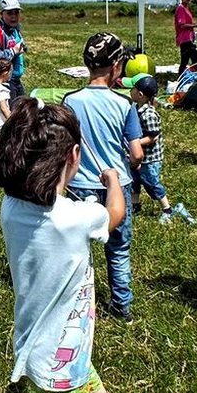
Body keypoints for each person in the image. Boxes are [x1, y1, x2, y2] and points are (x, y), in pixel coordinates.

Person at [0, 97, 123, 393]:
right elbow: (115, 216)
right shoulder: (74, 218)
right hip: (60, 364)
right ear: (72, 159)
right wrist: (113, 180)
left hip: (57, 351)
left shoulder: (12, 207)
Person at [62, 32, 143, 323]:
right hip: (116, 188)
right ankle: (122, 306)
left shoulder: (70, 101)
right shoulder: (124, 105)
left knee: (77, 250)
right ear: (116, 66)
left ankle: (75, 306)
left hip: (78, 188)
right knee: (118, 249)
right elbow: (136, 154)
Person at [123, 73, 193, 224]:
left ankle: (167, 209)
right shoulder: (136, 108)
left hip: (150, 158)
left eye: (133, 89)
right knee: (134, 180)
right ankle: (135, 205)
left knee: (151, 182)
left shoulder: (149, 114)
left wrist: (134, 143)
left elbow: (152, 136)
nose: (130, 91)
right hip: (137, 155)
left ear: (140, 94)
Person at [0, 0, 28, 103]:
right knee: (11, 115)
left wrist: (23, 47)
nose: (14, 16)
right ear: (2, 14)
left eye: (16, 12)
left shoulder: (15, 29)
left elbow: (18, 44)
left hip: (16, 79)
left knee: (22, 111)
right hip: (5, 81)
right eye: (10, 13)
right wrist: (13, 51)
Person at [174, 0, 197, 74]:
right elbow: (182, 25)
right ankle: (186, 77)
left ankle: (192, 75)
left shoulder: (186, 8)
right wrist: (195, 25)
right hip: (185, 39)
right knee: (192, 60)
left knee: (191, 60)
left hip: (188, 38)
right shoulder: (181, 8)